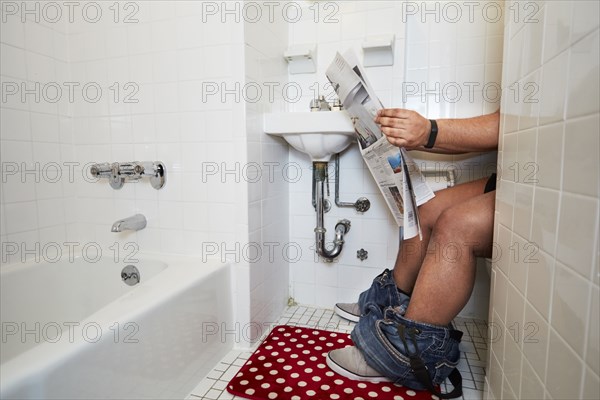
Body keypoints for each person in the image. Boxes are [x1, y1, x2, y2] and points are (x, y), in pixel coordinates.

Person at [326, 108, 500, 394]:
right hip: (511, 176)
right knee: (425, 210)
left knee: (456, 224)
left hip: (546, 185)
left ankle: (406, 353)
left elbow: (506, 124)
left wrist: (429, 131)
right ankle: (387, 304)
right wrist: (418, 136)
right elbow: (506, 124)